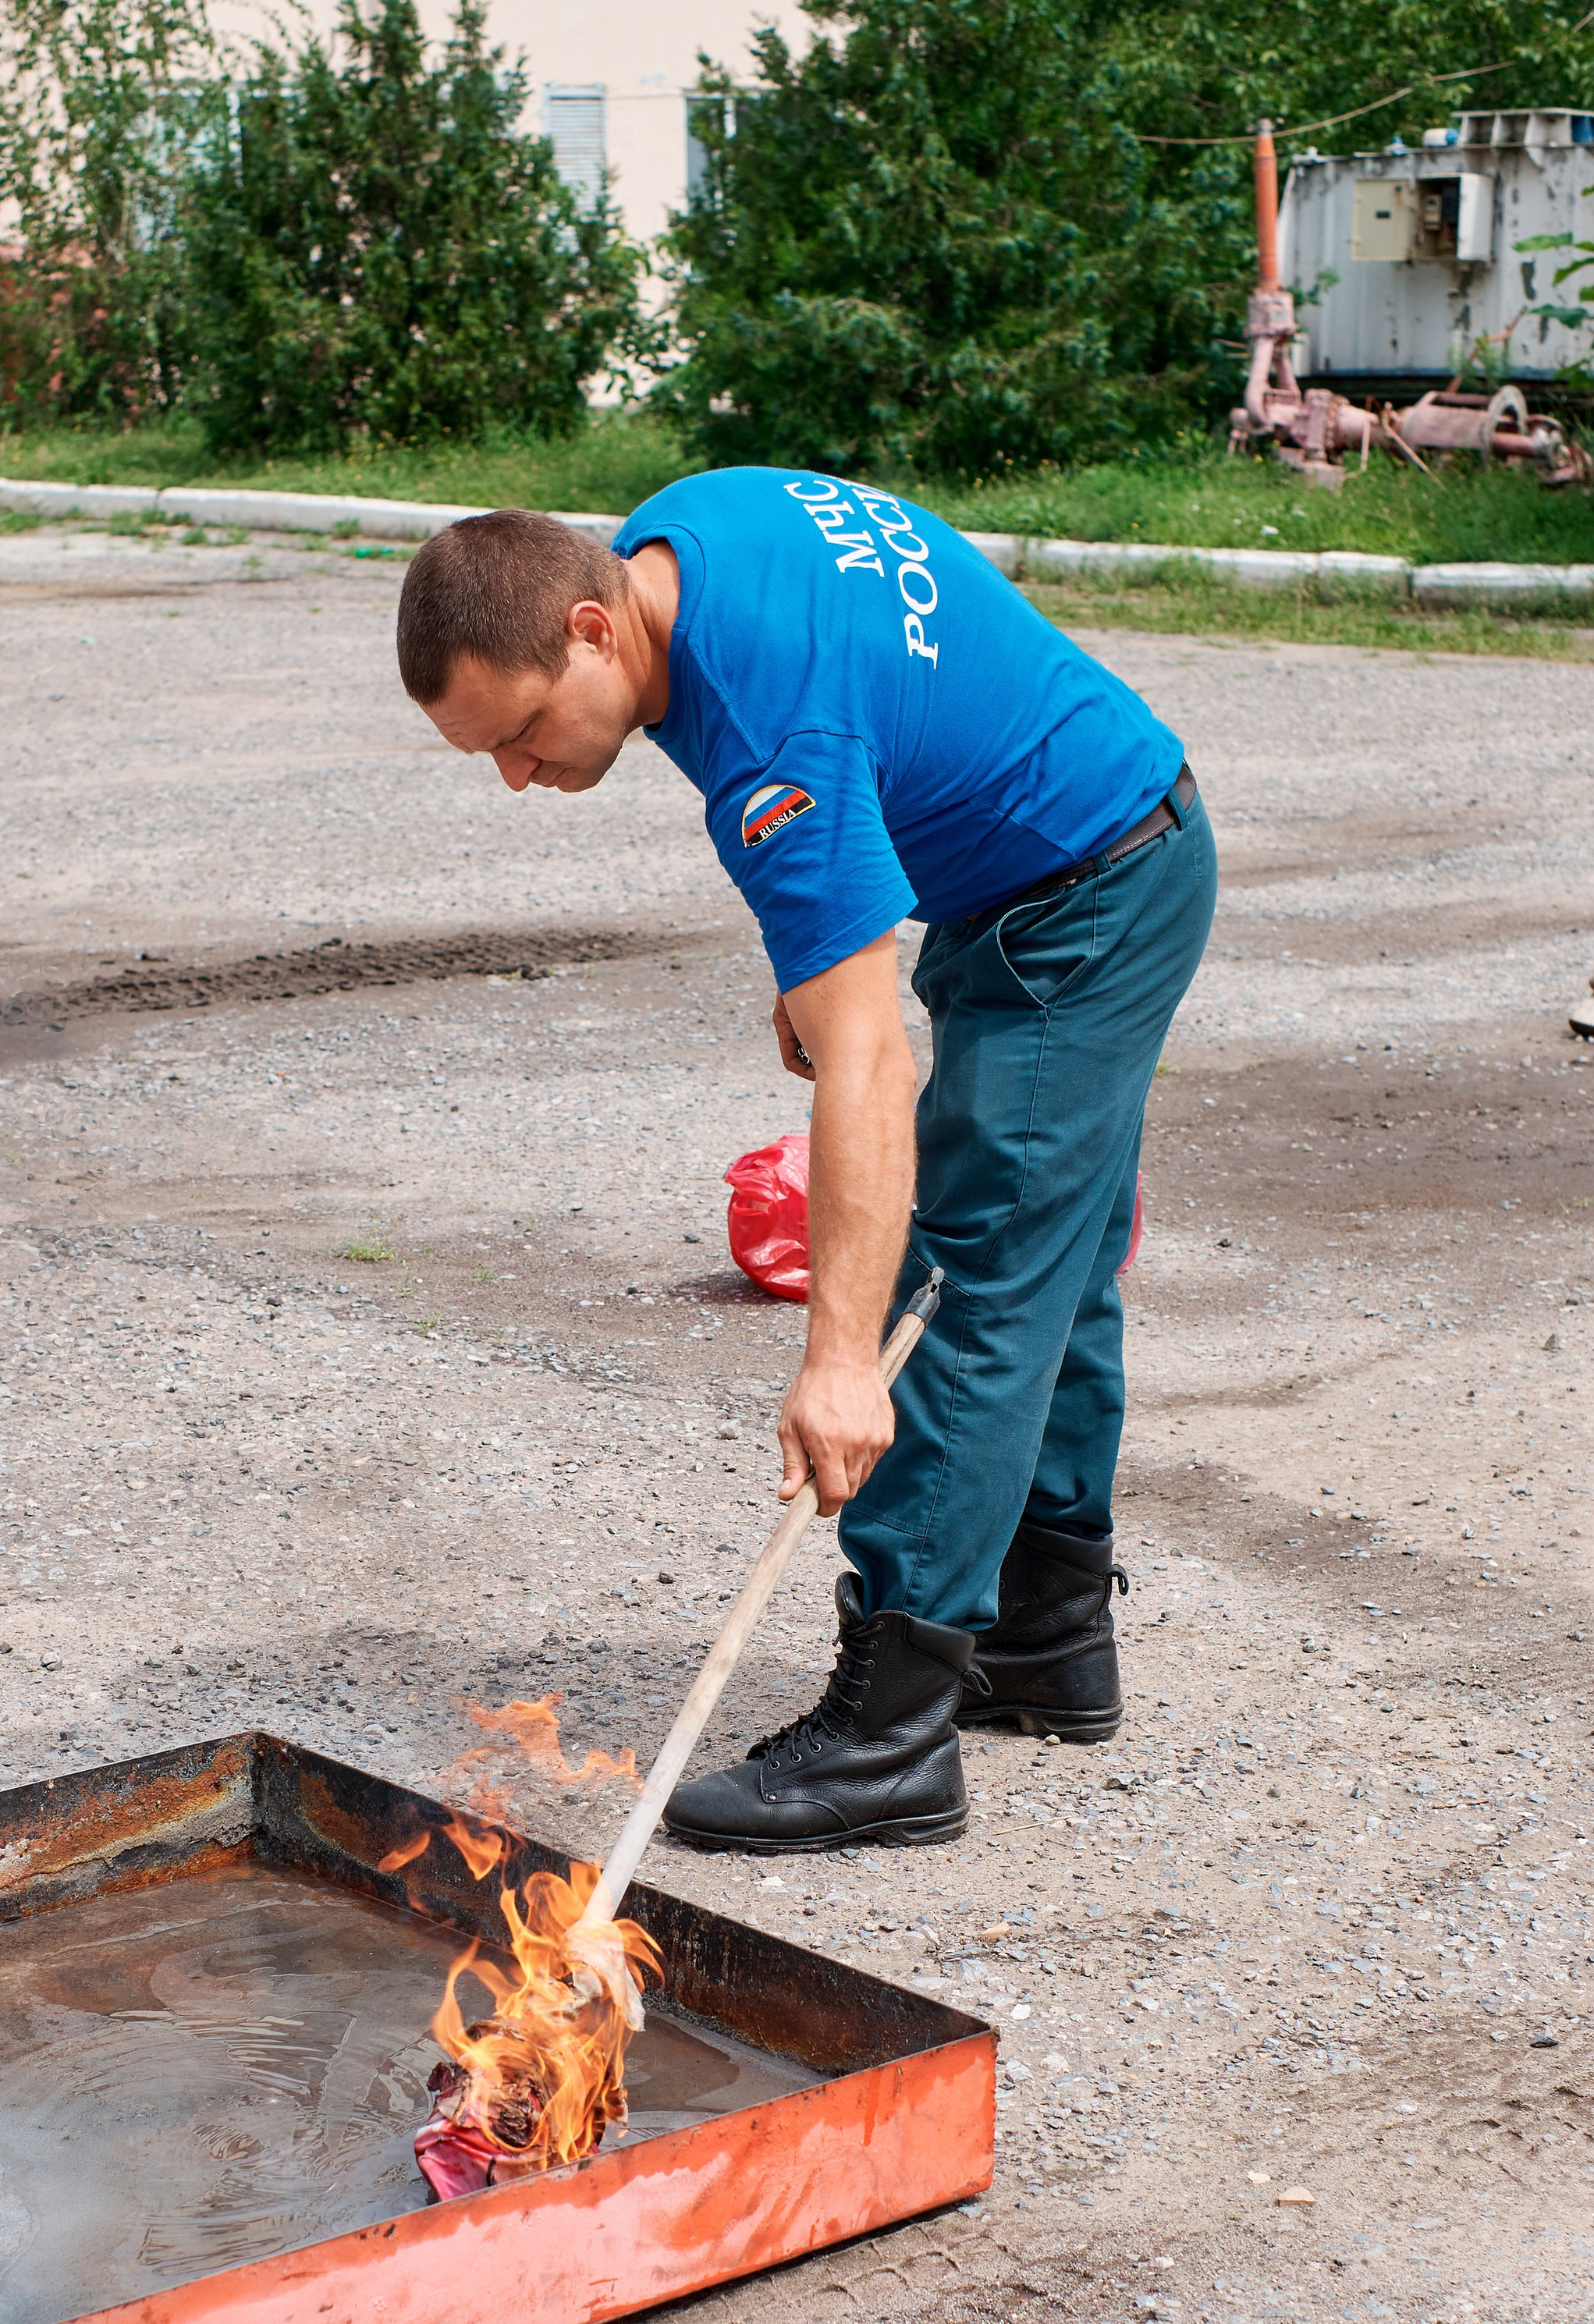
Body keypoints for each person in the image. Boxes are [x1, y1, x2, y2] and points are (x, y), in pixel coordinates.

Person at [395, 474, 1219, 1857]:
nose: (520, 778)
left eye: (527, 734)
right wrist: (824, 949)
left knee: (967, 1282)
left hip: (1079, 902)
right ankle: (1046, 1638)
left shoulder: (775, 736)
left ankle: (891, 1738)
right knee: (1052, 1264)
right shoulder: (686, 535)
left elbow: (870, 1067)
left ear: (595, 628)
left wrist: (840, 1359)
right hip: (1092, 847)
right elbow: (870, 720)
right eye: (492, 754)